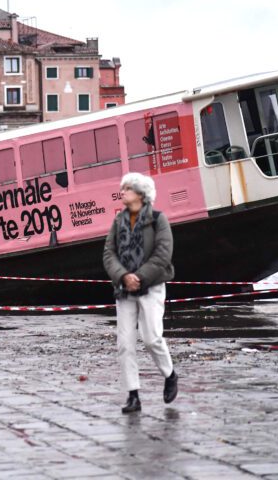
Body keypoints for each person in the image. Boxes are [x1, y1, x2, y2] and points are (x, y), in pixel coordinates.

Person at [103, 172, 178, 414]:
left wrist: (140, 277)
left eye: (126, 188)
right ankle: (133, 395)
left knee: (151, 337)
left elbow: (163, 254)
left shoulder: (158, 220)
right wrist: (124, 276)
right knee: (124, 344)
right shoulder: (118, 222)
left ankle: (169, 374)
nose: (122, 192)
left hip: (152, 286)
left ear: (140, 194)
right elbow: (109, 253)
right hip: (124, 289)